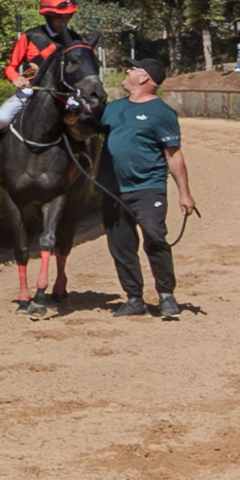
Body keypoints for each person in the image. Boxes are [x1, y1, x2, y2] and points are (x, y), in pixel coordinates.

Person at [96, 62, 197, 318]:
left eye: (132, 69)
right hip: (111, 190)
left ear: (145, 76)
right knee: (121, 245)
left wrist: (184, 193)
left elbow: (173, 155)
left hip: (148, 187)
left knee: (155, 238)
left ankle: (166, 296)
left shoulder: (162, 112)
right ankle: (134, 299)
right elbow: (84, 132)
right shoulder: (112, 108)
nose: (127, 71)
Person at [0, 0, 86, 134]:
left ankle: (82, 154)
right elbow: (11, 67)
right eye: (60, 18)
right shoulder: (30, 36)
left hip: (65, 94)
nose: (65, 21)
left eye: (68, 16)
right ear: (48, 16)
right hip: (30, 91)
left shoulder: (75, 39)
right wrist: (16, 79)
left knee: (83, 121)